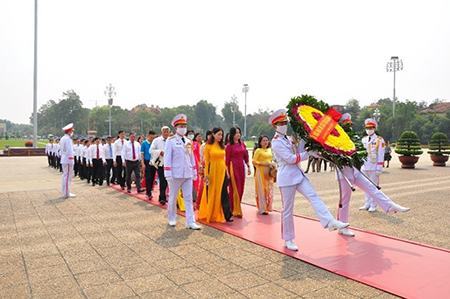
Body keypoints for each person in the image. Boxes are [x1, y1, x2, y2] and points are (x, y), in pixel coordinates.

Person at [269, 109, 349, 251]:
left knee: (313, 196)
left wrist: (313, 148)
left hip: (298, 174)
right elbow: (290, 159)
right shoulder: (276, 142)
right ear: (275, 126)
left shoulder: (287, 138)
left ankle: (330, 221)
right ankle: (288, 239)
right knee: (287, 210)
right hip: (286, 177)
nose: (284, 125)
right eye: (281, 123)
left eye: (285, 122)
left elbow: (297, 152)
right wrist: (308, 154)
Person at [335, 114, 410, 236]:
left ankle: (390, 206)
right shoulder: (335, 137)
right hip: (345, 173)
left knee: (372, 188)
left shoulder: (356, 138)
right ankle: (342, 226)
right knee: (345, 200)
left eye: (350, 124)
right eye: (347, 124)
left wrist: (378, 167)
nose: (350, 127)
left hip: (357, 170)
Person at [164, 114, 201, 229]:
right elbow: (167, 158)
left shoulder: (188, 141)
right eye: (181, 126)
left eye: (185, 125)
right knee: (173, 197)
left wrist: (194, 171)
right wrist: (168, 173)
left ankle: (190, 221)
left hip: (187, 173)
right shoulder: (171, 141)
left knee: (189, 198)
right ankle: (171, 218)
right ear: (176, 127)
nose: (183, 128)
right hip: (175, 174)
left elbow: (191, 158)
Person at [198, 127, 233, 223]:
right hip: (212, 171)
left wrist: (227, 172)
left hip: (222, 171)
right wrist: (206, 175)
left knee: (224, 192)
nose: (220, 137)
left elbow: (224, 160)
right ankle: (211, 212)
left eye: (221, 135)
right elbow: (207, 161)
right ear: (213, 134)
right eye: (218, 134)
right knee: (212, 192)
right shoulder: (208, 146)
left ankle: (227, 215)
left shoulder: (222, 146)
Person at [360, 118, 385, 212]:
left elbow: (381, 154)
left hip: (374, 167)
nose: (369, 130)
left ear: (374, 128)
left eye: (371, 128)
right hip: (365, 166)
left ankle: (373, 205)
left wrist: (379, 167)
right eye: (367, 128)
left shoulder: (379, 140)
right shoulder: (363, 139)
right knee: (366, 186)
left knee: (374, 187)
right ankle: (367, 203)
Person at [225, 126, 250, 218]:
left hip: (241, 168)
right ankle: (233, 209)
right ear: (232, 134)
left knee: (241, 188)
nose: (238, 134)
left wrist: (248, 166)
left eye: (239, 132)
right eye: (236, 133)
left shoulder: (242, 144)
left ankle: (237, 205)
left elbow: (246, 156)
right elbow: (226, 161)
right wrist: (227, 172)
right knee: (234, 189)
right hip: (233, 167)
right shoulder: (229, 146)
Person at [252, 135, 274, 215]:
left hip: (269, 173)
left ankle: (268, 207)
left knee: (268, 189)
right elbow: (254, 161)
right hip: (260, 172)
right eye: (263, 141)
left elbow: (271, 159)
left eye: (266, 140)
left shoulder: (269, 150)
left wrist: (272, 164)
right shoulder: (258, 150)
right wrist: (263, 164)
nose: (265, 142)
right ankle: (262, 208)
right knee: (262, 190)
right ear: (260, 142)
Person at [150, 126, 170, 205]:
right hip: (161, 163)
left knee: (168, 181)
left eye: (167, 131)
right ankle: (162, 197)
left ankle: (167, 196)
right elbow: (151, 150)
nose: (166, 133)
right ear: (161, 132)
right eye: (164, 131)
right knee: (162, 181)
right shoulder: (156, 140)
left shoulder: (171, 140)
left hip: (170, 164)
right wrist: (159, 152)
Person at [195, 130, 212, 210]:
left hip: (214, 168)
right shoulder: (203, 146)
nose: (210, 137)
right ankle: (199, 204)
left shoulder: (217, 145)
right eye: (209, 135)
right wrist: (201, 167)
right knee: (203, 186)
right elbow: (201, 157)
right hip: (205, 168)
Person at [59, 123, 76, 199]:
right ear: (69, 131)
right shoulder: (67, 139)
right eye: (72, 130)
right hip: (68, 159)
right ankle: (66, 193)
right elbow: (69, 150)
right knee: (67, 177)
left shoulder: (63, 138)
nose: (72, 132)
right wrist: (71, 158)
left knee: (65, 176)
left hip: (65, 159)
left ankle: (65, 192)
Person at [141, 130, 156, 199]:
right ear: (148, 136)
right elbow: (142, 154)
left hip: (154, 162)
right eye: (151, 137)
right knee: (148, 177)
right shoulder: (144, 143)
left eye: (153, 137)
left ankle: (149, 190)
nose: (152, 139)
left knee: (152, 177)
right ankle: (148, 192)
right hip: (147, 162)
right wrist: (143, 163)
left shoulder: (154, 143)